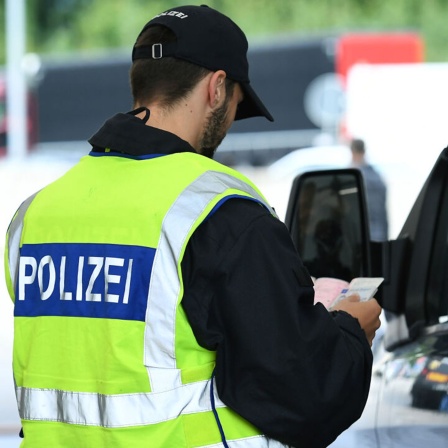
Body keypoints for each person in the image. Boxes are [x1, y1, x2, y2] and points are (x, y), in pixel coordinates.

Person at [4, 5, 382, 448]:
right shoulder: (218, 210)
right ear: (217, 88)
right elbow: (303, 391)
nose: (226, 129)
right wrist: (349, 328)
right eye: (237, 106)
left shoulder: (35, 214)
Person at [350, 138, 389, 241]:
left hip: (361, 236)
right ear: (364, 151)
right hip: (379, 233)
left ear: (353, 152)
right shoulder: (377, 177)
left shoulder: (352, 178)